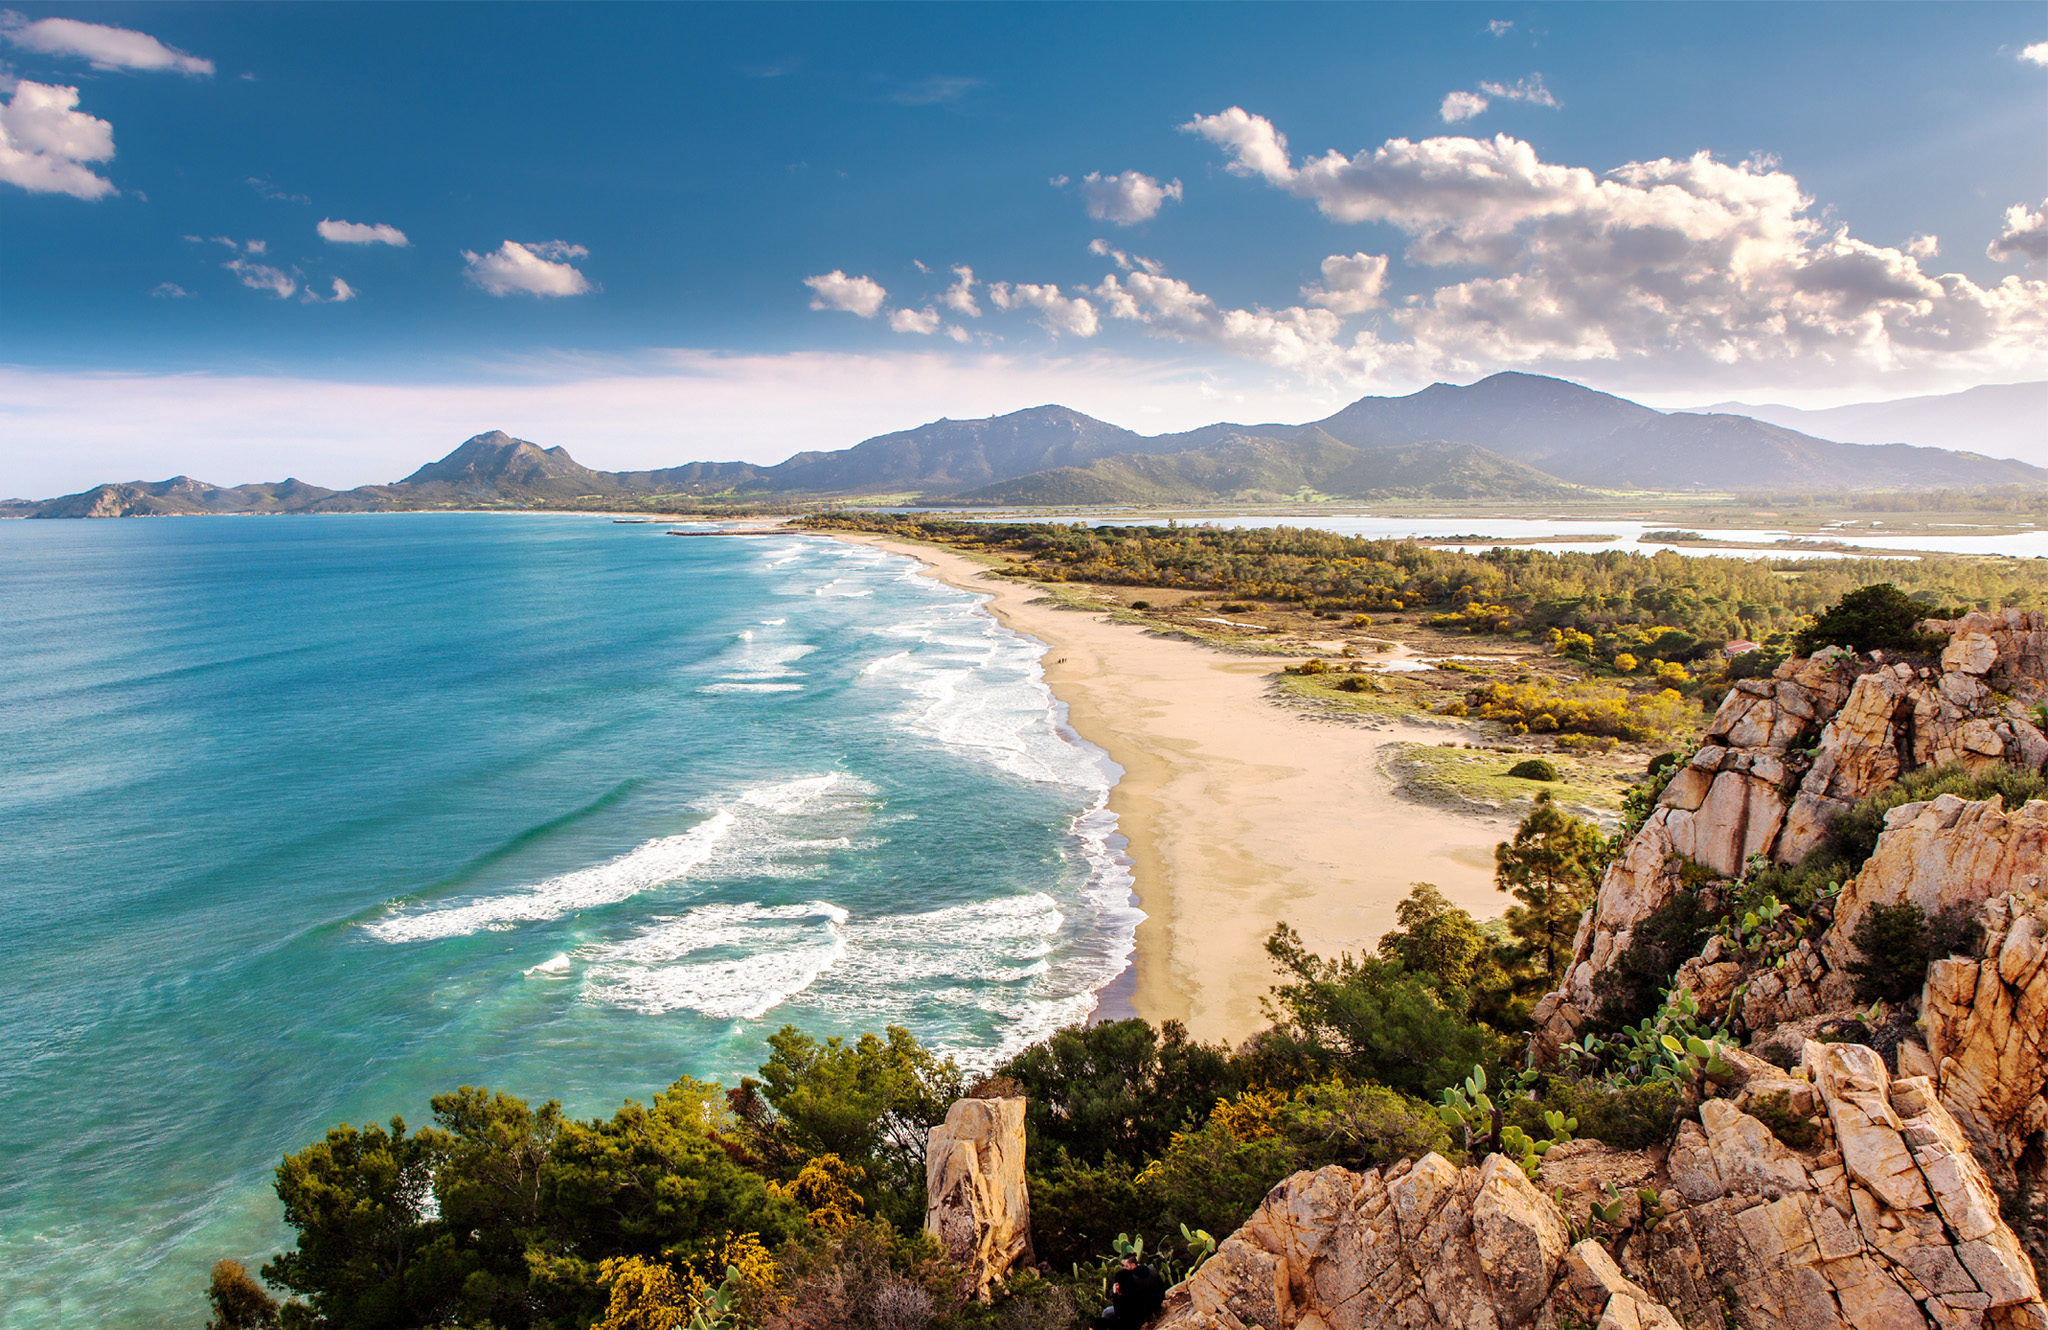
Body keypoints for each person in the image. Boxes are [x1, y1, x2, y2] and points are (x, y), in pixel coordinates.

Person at [1096, 1253, 1167, 1328]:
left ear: (1133, 1265)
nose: (1123, 1268)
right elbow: (1162, 1291)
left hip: (1136, 1318)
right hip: (1153, 1308)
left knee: (1106, 1313)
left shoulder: (1130, 1280)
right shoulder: (1152, 1270)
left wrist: (1116, 1294)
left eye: (1126, 1266)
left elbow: (1120, 1312)